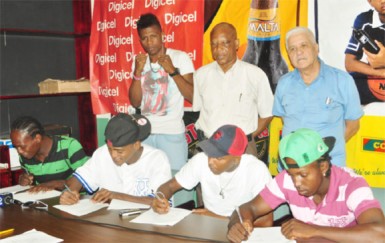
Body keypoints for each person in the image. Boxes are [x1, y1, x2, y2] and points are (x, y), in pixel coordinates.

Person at [227, 128, 385, 243]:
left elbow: (380, 233)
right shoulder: (286, 181)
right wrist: (238, 224)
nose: (296, 183)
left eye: (303, 175)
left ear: (322, 167)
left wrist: (314, 231)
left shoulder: (352, 185)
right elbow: (249, 209)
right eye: (291, 174)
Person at [273, 27, 363, 168]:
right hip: (290, 167)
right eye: (292, 49)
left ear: (316, 48)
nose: (299, 52)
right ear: (289, 55)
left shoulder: (342, 81)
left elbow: (353, 126)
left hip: (328, 167)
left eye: (304, 45)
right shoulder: (284, 83)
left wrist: (323, 151)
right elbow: (286, 119)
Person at [151, 124, 273, 226]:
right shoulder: (200, 160)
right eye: (209, 152)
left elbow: (266, 222)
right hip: (208, 227)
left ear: (236, 158)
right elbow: (170, 186)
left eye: (218, 157)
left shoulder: (256, 170)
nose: (210, 161)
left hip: (242, 233)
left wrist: (220, 219)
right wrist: (160, 197)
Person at [193, 22, 274, 159]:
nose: (219, 49)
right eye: (214, 44)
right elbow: (199, 109)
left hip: (243, 150)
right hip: (208, 146)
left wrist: (243, 138)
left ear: (236, 44)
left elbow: (268, 113)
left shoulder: (255, 75)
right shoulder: (201, 75)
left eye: (225, 43)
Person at [129, 13, 194, 171]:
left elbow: (192, 96)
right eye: (144, 38)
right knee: (147, 183)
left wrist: (173, 71)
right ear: (140, 40)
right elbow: (135, 102)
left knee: (175, 183)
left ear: (162, 35)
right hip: (145, 134)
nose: (149, 42)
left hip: (172, 133)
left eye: (153, 36)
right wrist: (137, 73)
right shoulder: (140, 62)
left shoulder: (180, 58)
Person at [59, 113, 172, 205]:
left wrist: (116, 196)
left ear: (136, 145)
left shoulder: (156, 159)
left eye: (119, 151)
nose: (113, 155)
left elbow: (159, 201)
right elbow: (80, 178)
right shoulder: (102, 153)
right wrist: (71, 192)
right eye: (110, 149)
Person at [10, 116, 88, 193]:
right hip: (45, 201)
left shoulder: (69, 146)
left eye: (22, 146)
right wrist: (25, 180)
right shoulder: (25, 156)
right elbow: (34, 185)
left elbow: (88, 181)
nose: (19, 151)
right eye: (16, 147)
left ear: (37, 138)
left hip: (75, 199)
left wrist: (56, 184)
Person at [345, 0, 385, 104]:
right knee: (343, 84)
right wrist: (381, 72)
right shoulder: (365, 20)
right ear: (370, 1)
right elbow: (350, 63)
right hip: (377, 78)